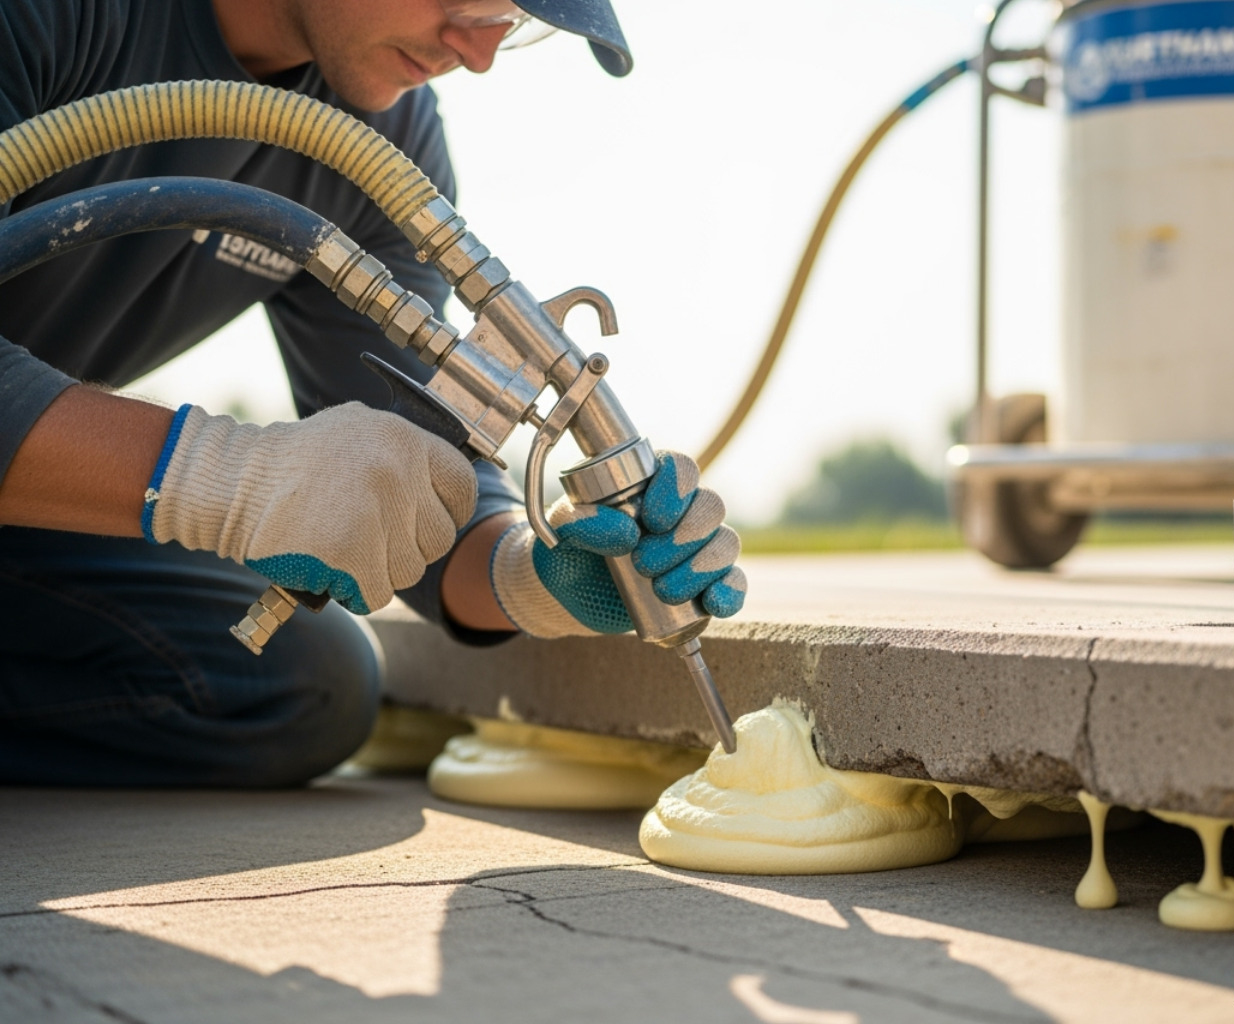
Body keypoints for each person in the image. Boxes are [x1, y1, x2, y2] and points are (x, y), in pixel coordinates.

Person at [0, 0, 746, 787]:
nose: (480, 50)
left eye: (516, 20)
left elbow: (414, 466)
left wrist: (537, 577)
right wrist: (227, 479)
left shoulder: (380, 136)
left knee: (301, 683)